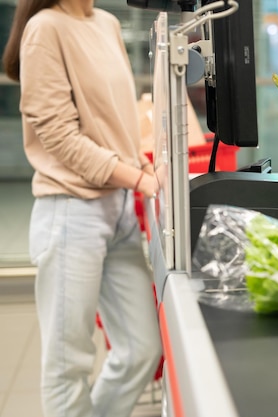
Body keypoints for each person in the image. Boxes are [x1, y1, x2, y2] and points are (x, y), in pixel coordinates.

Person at [2, 0, 163, 416]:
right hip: (72, 212)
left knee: (142, 349)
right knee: (68, 364)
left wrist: (143, 165)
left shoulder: (105, 23)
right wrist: (139, 179)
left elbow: (117, 120)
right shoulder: (45, 28)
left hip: (120, 211)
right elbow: (59, 136)